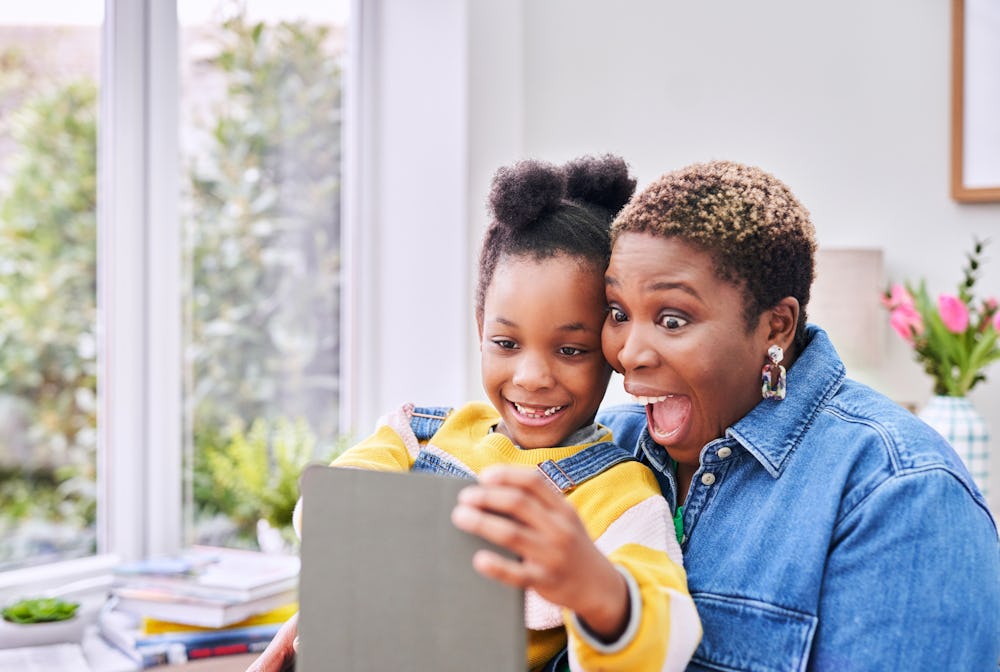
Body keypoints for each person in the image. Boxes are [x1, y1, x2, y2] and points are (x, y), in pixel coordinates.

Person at [250, 155, 701, 672]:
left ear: (611, 347)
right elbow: (325, 507)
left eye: (571, 350)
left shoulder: (621, 495)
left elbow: (665, 637)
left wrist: (594, 585)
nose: (532, 376)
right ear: (479, 325)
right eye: (506, 342)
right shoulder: (419, 433)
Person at [597, 159, 1000, 670]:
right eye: (617, 314)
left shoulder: (899, 488)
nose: (630, 352)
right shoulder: (605, 446)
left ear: (776, 327)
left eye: (672, 319)